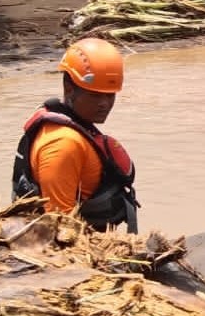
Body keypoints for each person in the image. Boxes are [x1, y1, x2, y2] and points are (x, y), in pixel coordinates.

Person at [12, 37, 139, 231]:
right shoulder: (63, 144)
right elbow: (59, 226)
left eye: (110, 94)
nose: (104, 103)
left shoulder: (75, 128)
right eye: (95, 95)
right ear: (69, 87)